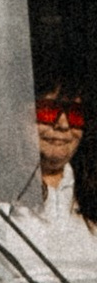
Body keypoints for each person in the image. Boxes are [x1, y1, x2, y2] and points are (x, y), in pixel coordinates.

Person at [9, 84, 97, 259]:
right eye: (48, 110)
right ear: (17, 115)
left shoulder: (90, 191)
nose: (63, 125)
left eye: (75, 113)